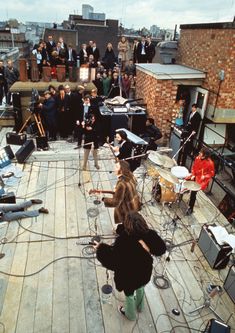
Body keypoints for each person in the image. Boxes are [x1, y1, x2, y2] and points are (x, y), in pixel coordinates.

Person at [94, 211, 166, 321]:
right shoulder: (150, 234)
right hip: (144, 272)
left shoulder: (123, 241)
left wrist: (100, 248)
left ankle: (130, 315)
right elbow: (161, 248)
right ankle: (140, 306)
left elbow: (113, 261)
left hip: (128, 277)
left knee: (129, 294)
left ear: (127, 225)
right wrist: (148, 248)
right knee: (141, 287)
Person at [101, 161, 141, 225]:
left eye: (117, 167)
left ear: (122, 170)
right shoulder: (131, 176)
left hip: (126, 208)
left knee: (126, 222)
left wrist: (103, 199)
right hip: (133, 204)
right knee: (131, 221)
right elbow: (125, 192)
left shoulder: (122, 184)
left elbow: (115, 203)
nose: (114, 168)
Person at [185, 147, 215, 215]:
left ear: (205, 155)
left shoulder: (210, 163)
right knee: (184, 181)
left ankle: (190, 208)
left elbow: (211, 173)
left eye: (201, 152)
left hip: (200, 180)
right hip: (194, 176)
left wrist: (204, 176)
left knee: (193, 193)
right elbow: (194, 167)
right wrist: (192, 174)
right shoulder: (198, 158)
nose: (199, 153)